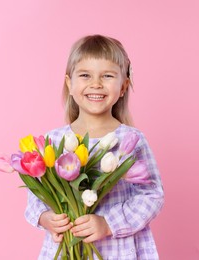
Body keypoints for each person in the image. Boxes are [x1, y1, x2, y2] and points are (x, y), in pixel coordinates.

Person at [24, 35, 164, 259]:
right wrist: (45, 218)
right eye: (85, 75)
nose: (96, 84)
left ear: (123, 86)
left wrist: (108, 224)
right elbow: (36, 196)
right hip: (68, 250)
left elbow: (152, 195)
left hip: (118, 250)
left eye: (107, 76)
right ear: (70, 84)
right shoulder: (54, 141)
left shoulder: (131, 140)